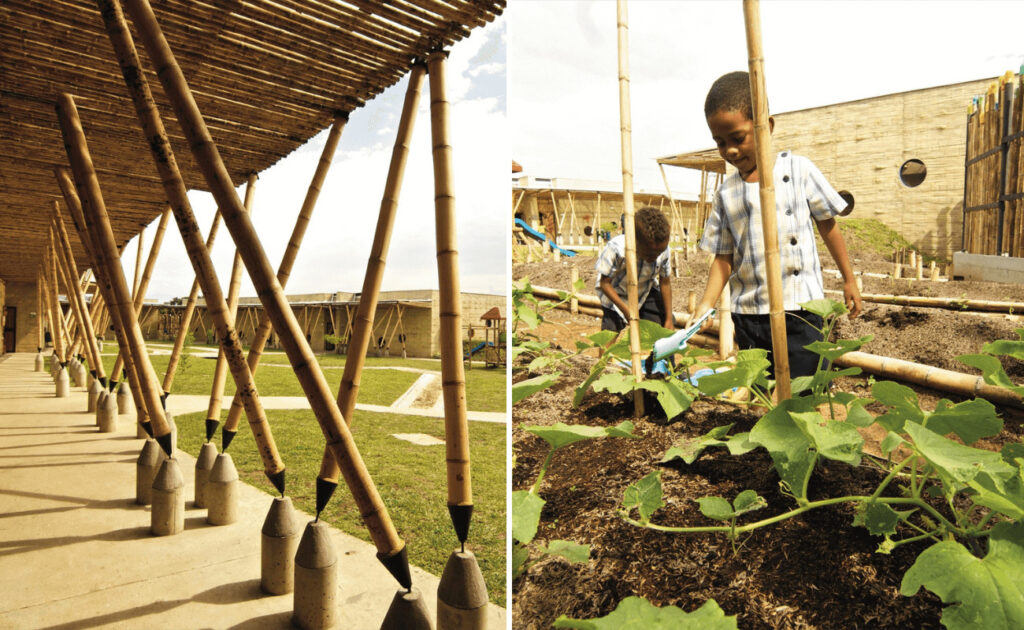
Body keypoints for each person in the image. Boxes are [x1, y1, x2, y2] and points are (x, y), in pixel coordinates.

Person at [692, 71, 862, 379]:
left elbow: (828, 225)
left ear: (765, 126)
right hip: (750, 315)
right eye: (720, 142)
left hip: (802, 310)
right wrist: (706, 303)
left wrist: (849, 279)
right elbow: (723, 258)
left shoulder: (798, 170)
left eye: (738, 138)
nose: (730, 150)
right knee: (767, 397)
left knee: (804, 393)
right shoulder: (726, 194)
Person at [595, 206, 674, 332]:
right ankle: (606, 350)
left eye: (659, 253)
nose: (655, 257)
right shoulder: (617, 249)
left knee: (663, 328)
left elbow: (665, 282)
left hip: (645, 291)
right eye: (650, 254)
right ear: (635, 241)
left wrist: (669, 319)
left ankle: (662, 351)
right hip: (616, 295)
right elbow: (604, 283)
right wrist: (626, 310)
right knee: (609, 335)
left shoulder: (663, 250)